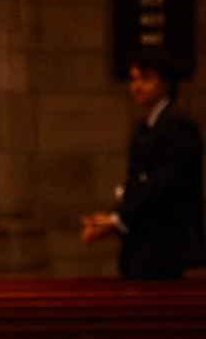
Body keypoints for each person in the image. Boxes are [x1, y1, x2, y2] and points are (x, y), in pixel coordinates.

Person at [81, 59, 206, 279]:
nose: (136, 86)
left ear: (166, 83)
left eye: (145, 78)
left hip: (165, 245)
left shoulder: (177, 125)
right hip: (143, 244)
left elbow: (162, 184)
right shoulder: (145, 128)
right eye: (133, 79)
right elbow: (136, 184)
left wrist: (116, 220)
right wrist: (112, 217)